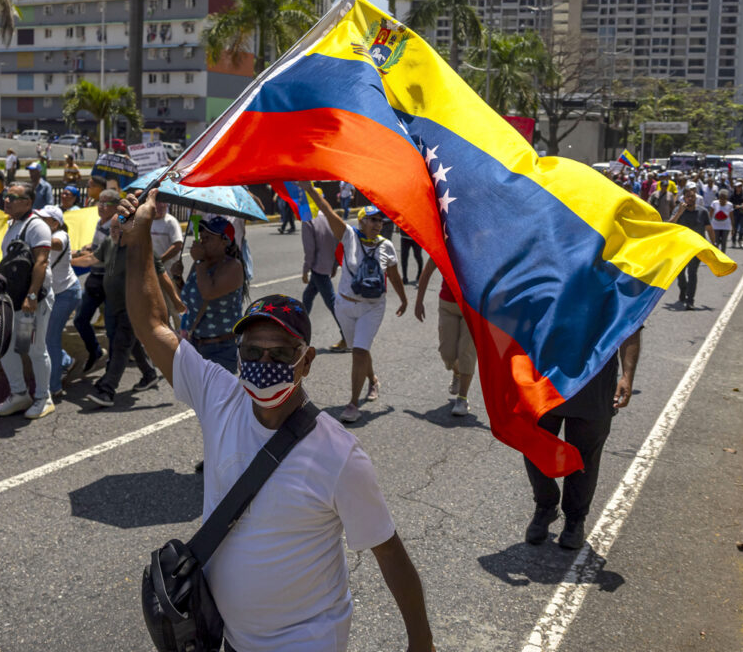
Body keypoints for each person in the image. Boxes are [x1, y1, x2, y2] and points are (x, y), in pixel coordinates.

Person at [119, 189, 436, 652]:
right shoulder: (219, 395)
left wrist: (421, 644)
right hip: (229, 638)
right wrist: (139, 235)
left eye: (280, 353)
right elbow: (151, 323)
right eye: (252, 352)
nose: (263, 362)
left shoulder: (340, 456)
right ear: (238, 354)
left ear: (306, 362)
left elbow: (388, 550)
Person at [524, 329, 641, 550]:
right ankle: (545, 506)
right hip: (547, 376)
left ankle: (575, 520)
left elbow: (631, 325)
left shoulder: (619, 291)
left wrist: (627, 375)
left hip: (594, 383)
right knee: (533, 444)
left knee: (585, 456)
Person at [304, 183, 407, 423]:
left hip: (372, 307)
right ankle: (373, 380)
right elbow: (328, 211)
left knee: (359, 351)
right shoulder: (349, 236)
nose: (377, 224)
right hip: (345, 306)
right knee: (361, 349)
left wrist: (404, 299)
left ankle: (352, 404)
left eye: (380, 221)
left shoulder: (387, 246)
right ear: (361, 221)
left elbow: (393, 276)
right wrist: (309, 189)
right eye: (372, 220)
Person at [79, 206, 163, 407]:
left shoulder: (140, 247)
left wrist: (176, 301)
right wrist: (65, 259)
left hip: (134, 306)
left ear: (128, 228)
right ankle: (149, 374)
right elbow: (92, 258)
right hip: (114, 305)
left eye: (118, 227)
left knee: (120, 345)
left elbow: (161, 273)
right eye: (112, 228)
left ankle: (107, 389)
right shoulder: (110, 243)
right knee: (130, 343)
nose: (113, 231)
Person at [0, 183, 56, 420]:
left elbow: (41, 262)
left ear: (28, 203)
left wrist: (32, 295)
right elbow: (10, 261)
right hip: (15, 299)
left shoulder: (37, 226)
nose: (6, 200)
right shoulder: (14, 225)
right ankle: (19, 394)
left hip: (32, 300)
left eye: (12, 197)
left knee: (35, 349)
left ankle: (44, 398)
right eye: (6, 196)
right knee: (9, 347)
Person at [180, 216, 246, 373]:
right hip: (196, 343)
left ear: (224, 241)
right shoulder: (201, 264)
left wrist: (199, 262)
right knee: (196, 395)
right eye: (202, 238)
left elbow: (208, 293)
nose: (202, 242)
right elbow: (187, 297)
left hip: (221, 348)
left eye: (208, 238)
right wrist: (177, 278)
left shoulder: (233, 267)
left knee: (217, 396)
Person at [414, 264, 477, 417]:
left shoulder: (482, 246)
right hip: (448, 304)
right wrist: (419, 301)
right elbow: (427, 271)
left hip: (473, 306)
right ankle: (457, 373)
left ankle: (462, 399)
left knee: (466, 353)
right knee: (447, 354)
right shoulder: (445, 242)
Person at [71, 189, 120, 374]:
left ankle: (114, 370)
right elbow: (97, 248)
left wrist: (68, 261)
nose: (101, 206)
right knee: (80, 319)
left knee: (112, 328)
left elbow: (100, 258)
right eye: (99, 202)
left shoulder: (116, 228)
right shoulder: (101, 223)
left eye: (106, 203)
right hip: (95, 279)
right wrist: (89, 247)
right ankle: (96, 351)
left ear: (116, 207)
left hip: (109, 283)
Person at [37, 205, 81, 395]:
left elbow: (57, 244)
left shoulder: (61, 235)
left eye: (44, 219)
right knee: (44, 335)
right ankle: (65, 361)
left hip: (66, 293)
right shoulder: (43, 233)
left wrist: (35, 237)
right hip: (52, 294)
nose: (39, 221)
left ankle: (54, 387)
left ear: (55, 223)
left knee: (50, 339)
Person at [301, 210, 346, 351]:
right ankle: (298, 331)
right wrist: (334, 264)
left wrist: (305, 270)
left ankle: (347, 336)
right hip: (326, 265)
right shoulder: (327, 215)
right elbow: (338, 240)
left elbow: (310, 250)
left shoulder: (307, 219)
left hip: (318, 267)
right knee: (307, 297)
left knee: (332, 302)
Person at [670, 189, 717, 309]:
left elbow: (709, 228)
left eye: (692, 196)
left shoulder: (703, 212)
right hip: (681, 248)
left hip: (696, 248)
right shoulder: (678, 210)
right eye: (688, 197)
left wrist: (714, 244)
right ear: (684, 198)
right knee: (680, 274)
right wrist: (679, 213)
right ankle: (683, 289)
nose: (690, 198)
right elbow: (670, 225)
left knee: (692, 273)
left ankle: (690, 300)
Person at [149, 200, 185, 331]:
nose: (161, 206)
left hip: (168, 272)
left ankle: (182, 338)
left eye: (164, 203)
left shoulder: (171, 222)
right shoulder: (149, 221)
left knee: (174, 306)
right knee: (158, 307)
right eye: (158, 203)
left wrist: (160, 260)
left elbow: (177, 245)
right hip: (152, 272)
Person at [709, 189, 733, 253]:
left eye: (724, 198)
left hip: (726, 227)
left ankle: (723, 257)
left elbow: (731, 217)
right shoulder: (714, 203)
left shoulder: (730, 205)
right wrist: (708, 225)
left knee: (724, 243)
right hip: (715, 226)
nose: (722, 200)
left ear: (726, 198)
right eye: (721, 198)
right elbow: (710, 215)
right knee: (715, 242)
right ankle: (715, 256)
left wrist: (733, 228)